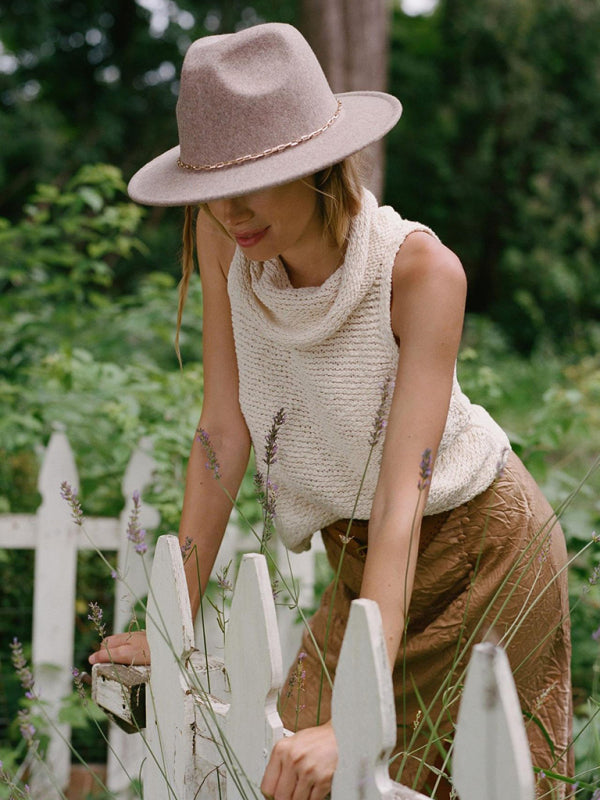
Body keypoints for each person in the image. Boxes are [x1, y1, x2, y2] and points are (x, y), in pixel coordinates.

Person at [89, 22, 572, 800]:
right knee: (289, 772)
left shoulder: (419, 273)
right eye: (212, 186)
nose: (231, 210)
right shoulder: (227, 241)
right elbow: (222, 430)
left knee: (461, 780)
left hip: (483, 549)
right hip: (364, 558)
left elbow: (401, 499)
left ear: (315, 166)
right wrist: (170, 624)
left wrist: (359, 712)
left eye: (254, 179)